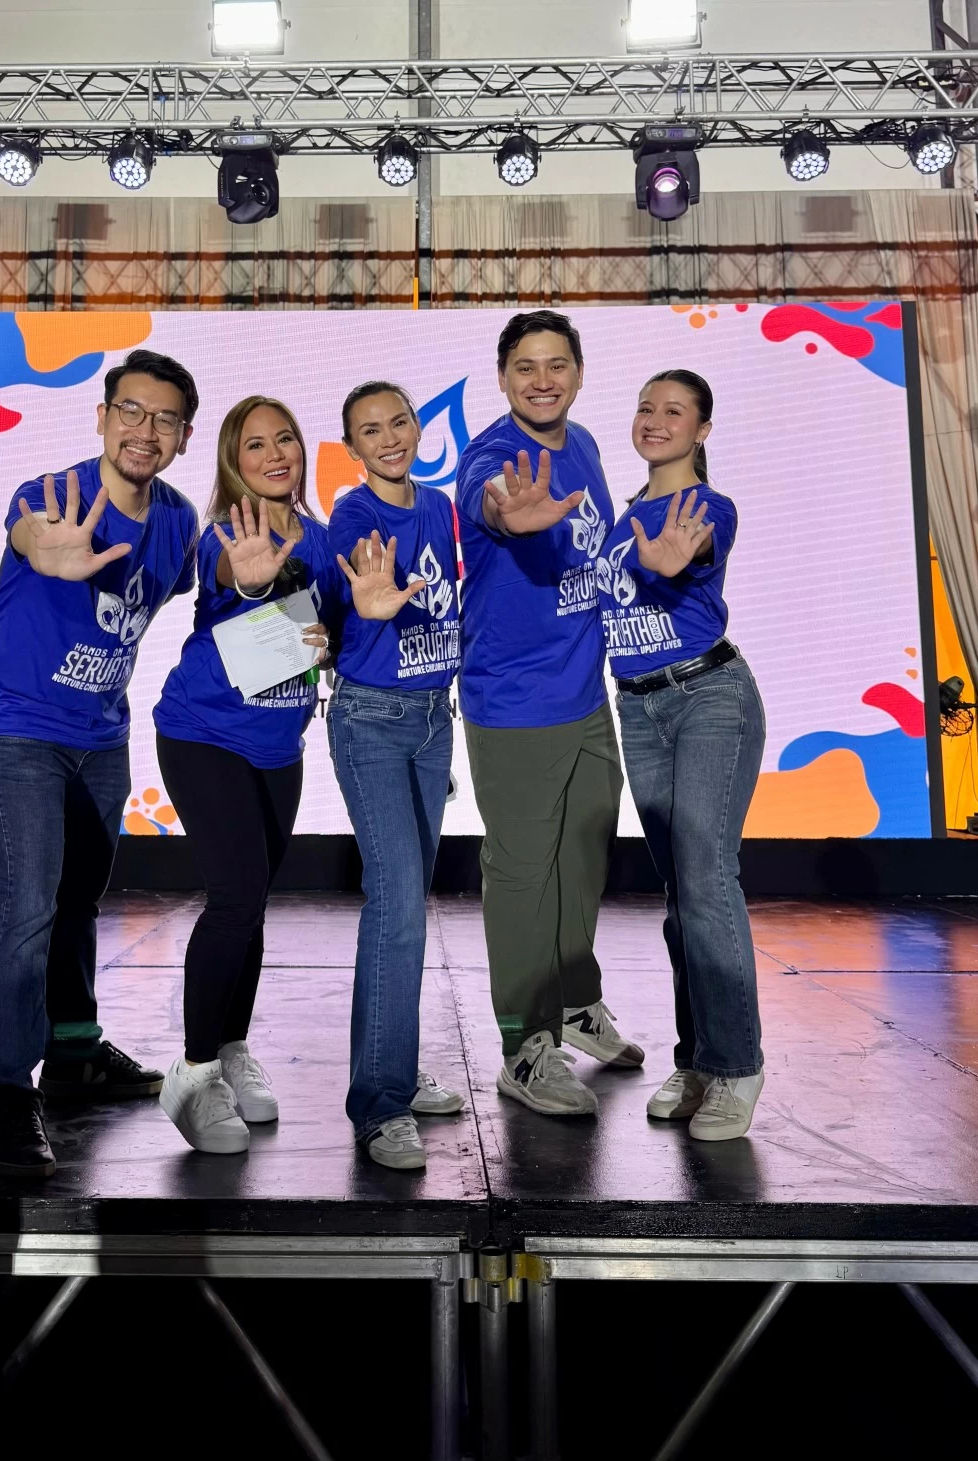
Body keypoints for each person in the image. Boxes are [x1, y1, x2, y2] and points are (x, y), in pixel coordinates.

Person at [0, 348, 201, 1178]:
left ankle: (73, 1053)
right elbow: (30, 530)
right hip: (15, 720)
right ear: (101, 416)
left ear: (183, 436)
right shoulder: (55, 496)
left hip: (98, 730)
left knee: (77, 896)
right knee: (26, 896)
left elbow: (177, 598)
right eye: (130, 410)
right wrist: (45, 548)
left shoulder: (176, 521)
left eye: (164, 418)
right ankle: (4, 1096)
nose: (145, 429)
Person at [455, 309, 643, 1119]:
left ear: (576, 371)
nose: (542, 378)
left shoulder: (588, 445)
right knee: (525, 874)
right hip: (514, 699)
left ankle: (573, 1002)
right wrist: (508, 511)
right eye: (525, 365)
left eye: (556, 363)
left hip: (583, 690)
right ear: (502, 377)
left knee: (584, 858)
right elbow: (489, 499)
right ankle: (522, 1046)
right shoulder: (495, 455)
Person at [153, 396, 336, 1155]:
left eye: (285, 437)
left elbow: (330, 629)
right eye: (254, 443)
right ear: (233, 459)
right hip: (203, 733)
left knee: (253, 903)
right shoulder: (226, 533)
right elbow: (240, 575)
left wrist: (331, 641)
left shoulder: (321, 537)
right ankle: (192, 1077)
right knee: (233, 898)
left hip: (277, 744)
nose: (273, 452)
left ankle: (230, 1048)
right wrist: (258, 584)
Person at [597, 369, 765, 1140]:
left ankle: (736, 1066)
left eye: (674, 412)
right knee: (679, 898)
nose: (654, 420)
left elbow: (688, 553)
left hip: (707, 697)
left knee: (706, 878)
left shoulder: (706, 506)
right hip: (639, 706)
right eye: (645, 408)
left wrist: (665, 560)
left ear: (702, 430)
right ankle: (696, 1057)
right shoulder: (617, 514)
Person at [327, 381, 466, 1171]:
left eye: (399, 422)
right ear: (352, 446)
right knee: (397, 905)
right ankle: (380, 1105)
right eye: (369, 430)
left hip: (431, 721)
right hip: (372, 720)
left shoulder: (443, 506)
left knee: (410, 903)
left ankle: (399, 1073)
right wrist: (364, 606)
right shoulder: (355, 514)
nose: (389, 438)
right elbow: (352, 591)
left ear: (419, 426)